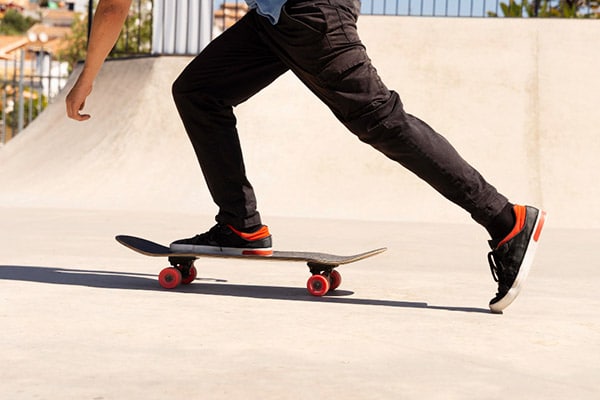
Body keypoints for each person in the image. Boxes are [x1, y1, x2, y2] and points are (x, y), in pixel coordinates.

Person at [66, 0, 546, 313]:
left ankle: (505, 219)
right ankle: (240, 224)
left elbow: (113, 5)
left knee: (379, 119)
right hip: (276, 19)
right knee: (199, 91)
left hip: (310, 14)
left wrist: (87, 75)